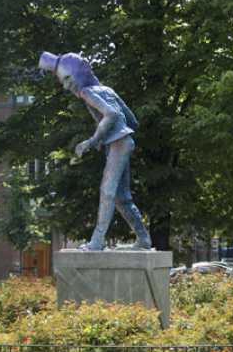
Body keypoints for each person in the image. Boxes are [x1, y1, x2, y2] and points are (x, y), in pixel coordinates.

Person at [38, 51, 152, 251]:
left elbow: (112, 113)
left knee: (107, 191)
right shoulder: (107, 89)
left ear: (77, 74)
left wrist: (93, 140)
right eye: (62, 81)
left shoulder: (86, 92)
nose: (66, 85)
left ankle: (97, 241)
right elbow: (131, 118)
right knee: (121, 198)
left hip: (118, 143)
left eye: (67, 78)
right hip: (123, 142)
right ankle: (143, 239)